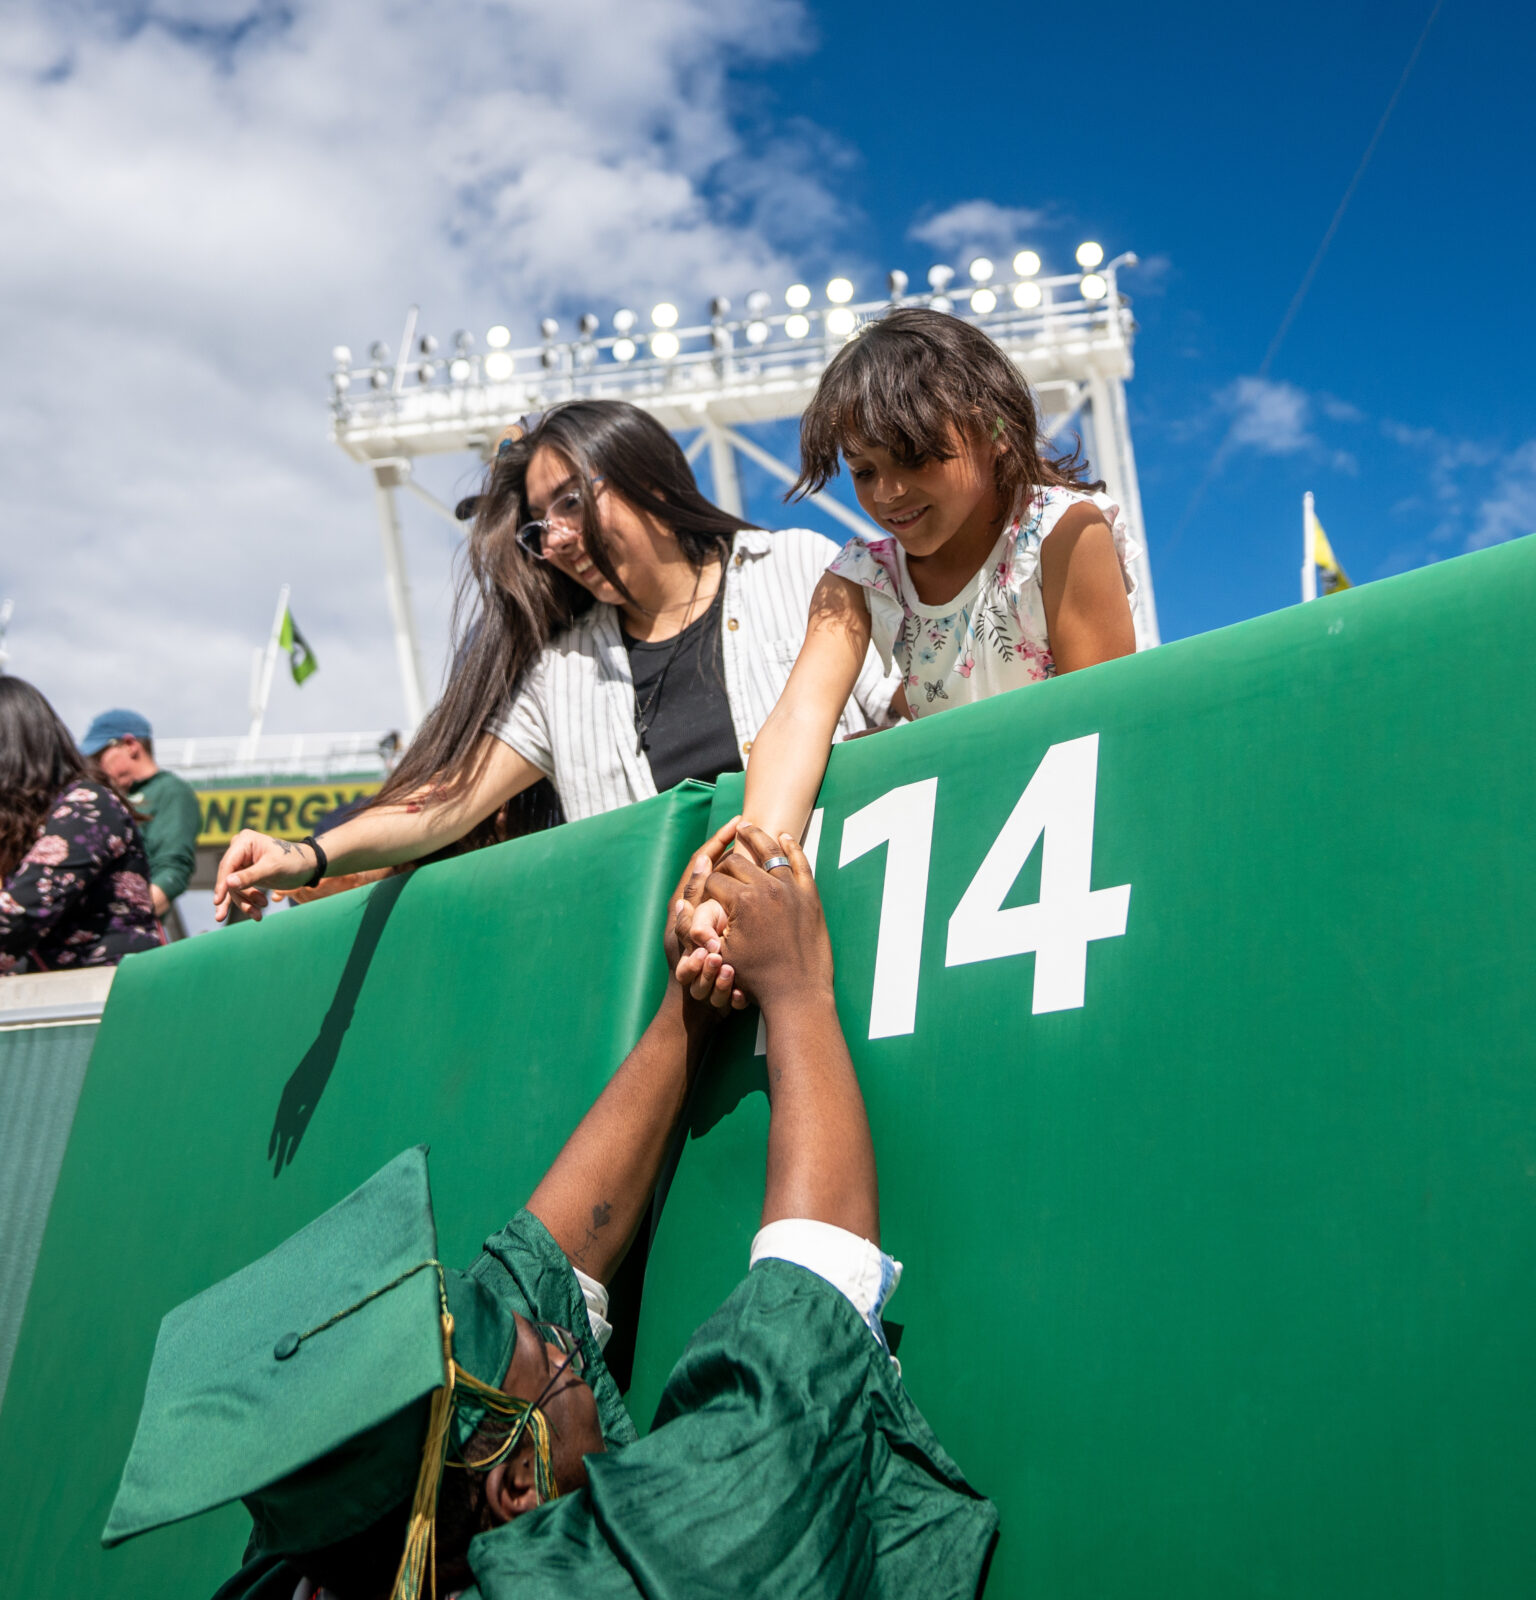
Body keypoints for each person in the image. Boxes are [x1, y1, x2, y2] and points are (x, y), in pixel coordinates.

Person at [105, 822, 997, 1598]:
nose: (567, 1339)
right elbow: (803, 1334)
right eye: (550, 1351)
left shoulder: (327, 1550)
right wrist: (797, 989)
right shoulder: (650, 1571)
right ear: (517, 1490)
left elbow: (534, 1271)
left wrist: (685, 1008)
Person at [211, 400, 896, 921]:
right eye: (541, 526)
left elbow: (909, 718)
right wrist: (304, 856)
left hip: (839, 927)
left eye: (571, 501)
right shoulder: (560, 671)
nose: (556, 539)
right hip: (671, 985)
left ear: (649, 478)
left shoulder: (797, 567)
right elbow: (446, 803)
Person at [679, 307, 1140, 966]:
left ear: (995, 429)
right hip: (958, 849)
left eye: (915, 456)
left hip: (1070, 850)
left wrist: (916, 747)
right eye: (863, 470)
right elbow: (800, 719)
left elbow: (1100, 732)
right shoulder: (859, 577)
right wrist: (748, 881)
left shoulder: (1066, 533)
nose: (889, 492)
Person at [0, 679, 162, 972]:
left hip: (112, 989)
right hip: (58, 991)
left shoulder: (88, 806)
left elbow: (18, 916)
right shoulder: (29, 822)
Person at [82, 707, 201, 937]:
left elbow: (173, 869)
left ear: (130, 745)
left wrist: (123, 925)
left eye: (99, 756)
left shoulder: (170, 791)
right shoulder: (108, 795)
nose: (95, 766)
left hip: (122, 937)